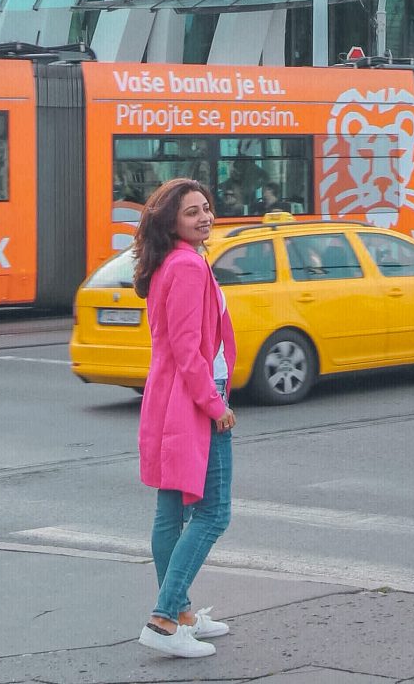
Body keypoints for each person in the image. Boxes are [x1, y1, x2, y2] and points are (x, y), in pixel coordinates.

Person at [134, 177, 237, 660]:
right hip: (193, 400)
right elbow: (188, 349)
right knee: (213, 513)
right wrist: (216, 406)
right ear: (171, 220)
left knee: (171, 512)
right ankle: (164, 617)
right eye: (192, 211)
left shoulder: (171, 263)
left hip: (170, 397)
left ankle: (182, 613)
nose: (204, 217)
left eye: (206, 208)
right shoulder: (187, 266)